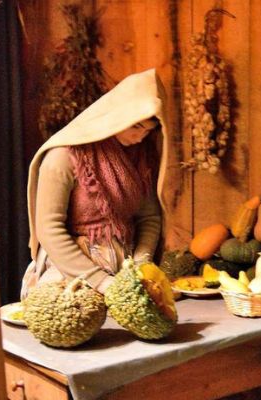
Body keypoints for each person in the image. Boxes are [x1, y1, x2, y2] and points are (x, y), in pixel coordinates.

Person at [21, 69, 169, 297]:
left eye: (148, 131)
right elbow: (49, 229)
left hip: (125, 273)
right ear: (116, 116)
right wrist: (100, 282)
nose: (140, 137)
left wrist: (141, 261)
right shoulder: (64, 157)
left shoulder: (142, 156)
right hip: (71, 277)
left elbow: (149, 217)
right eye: (136, 127)